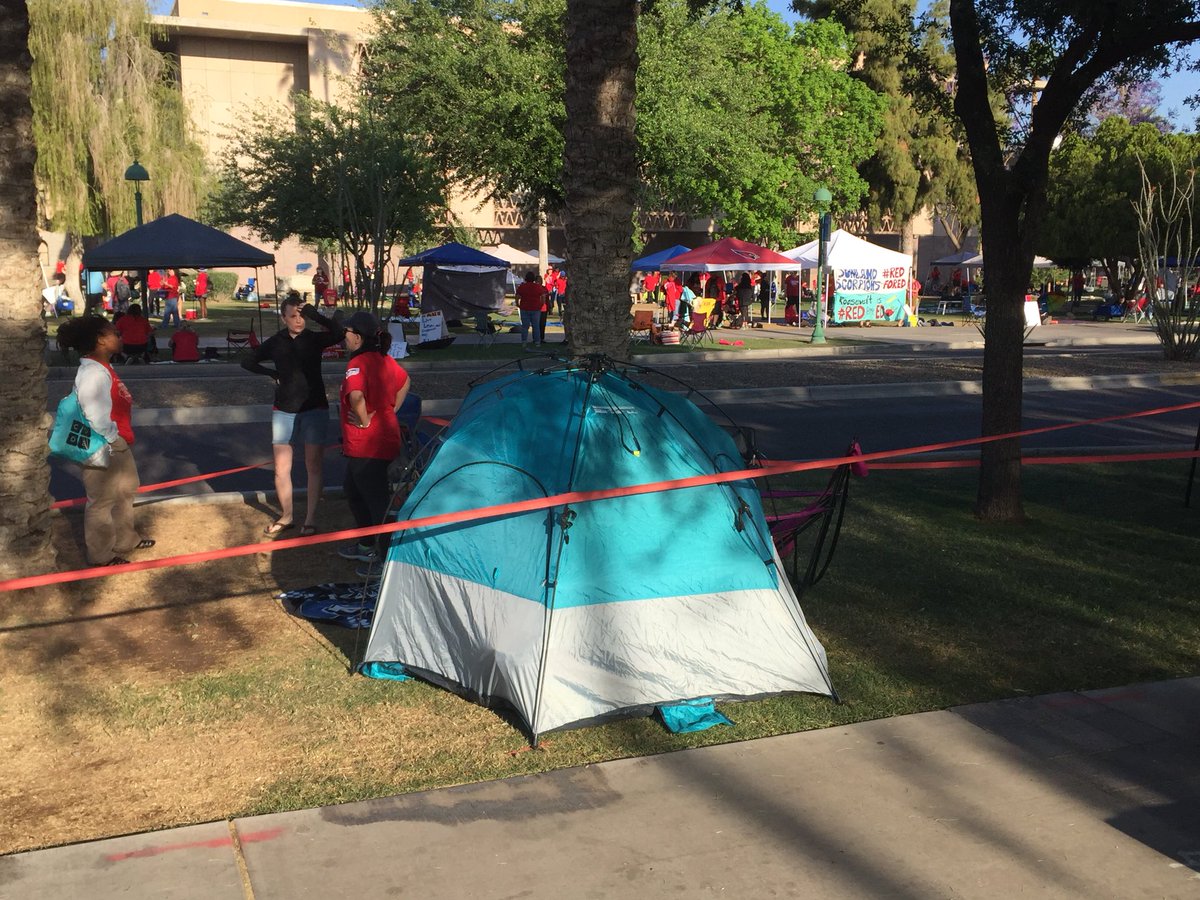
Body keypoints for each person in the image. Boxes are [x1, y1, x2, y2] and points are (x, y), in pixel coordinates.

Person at [241, 292, 345, 537]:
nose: (298, 321)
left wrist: (314, 314)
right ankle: (286, 516)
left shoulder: (313, 339)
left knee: (313, 464)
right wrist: (270, 373)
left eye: (301, 316)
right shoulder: (276, 342)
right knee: (281, 468)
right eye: (293, 316)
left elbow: (339, 333)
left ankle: (310, 518)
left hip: (314, 408)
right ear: (283, 318)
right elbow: (247, 361)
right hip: (284, 410)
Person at [56, 316, 155, 566]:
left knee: (126, 490)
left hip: (116, 441)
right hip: (103, 444)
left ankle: (126, 539)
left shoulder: (102, 368)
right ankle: (101, 555)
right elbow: (92, 411)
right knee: (101, 501)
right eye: (115, 333)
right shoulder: (92, 372)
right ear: (101, 340)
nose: (120, 337)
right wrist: (113, 438)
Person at [334, 310, 411, 573]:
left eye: (346, 333)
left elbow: (356, 395)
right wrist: (392, 409)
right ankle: (367, 545)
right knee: (354, 490)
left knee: (376, 500)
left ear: (357, 337)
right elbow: (405, 381)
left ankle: (386, 559)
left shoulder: (358, 363)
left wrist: (364, 419)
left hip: (367, 444)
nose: (344, 337)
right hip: (379, 440)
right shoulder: (383, 359)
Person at [516, 270, 548, 350]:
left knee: (525, 326)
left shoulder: (522, 286)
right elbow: (543, 296)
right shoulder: (538, 287)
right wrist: (541, 304)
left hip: (525, 308)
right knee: (536, 326)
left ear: (526, 278)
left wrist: (518, 304)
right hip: (536, 308)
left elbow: (517, 296)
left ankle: (524, 342)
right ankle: (537, 342)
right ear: (534, 279)